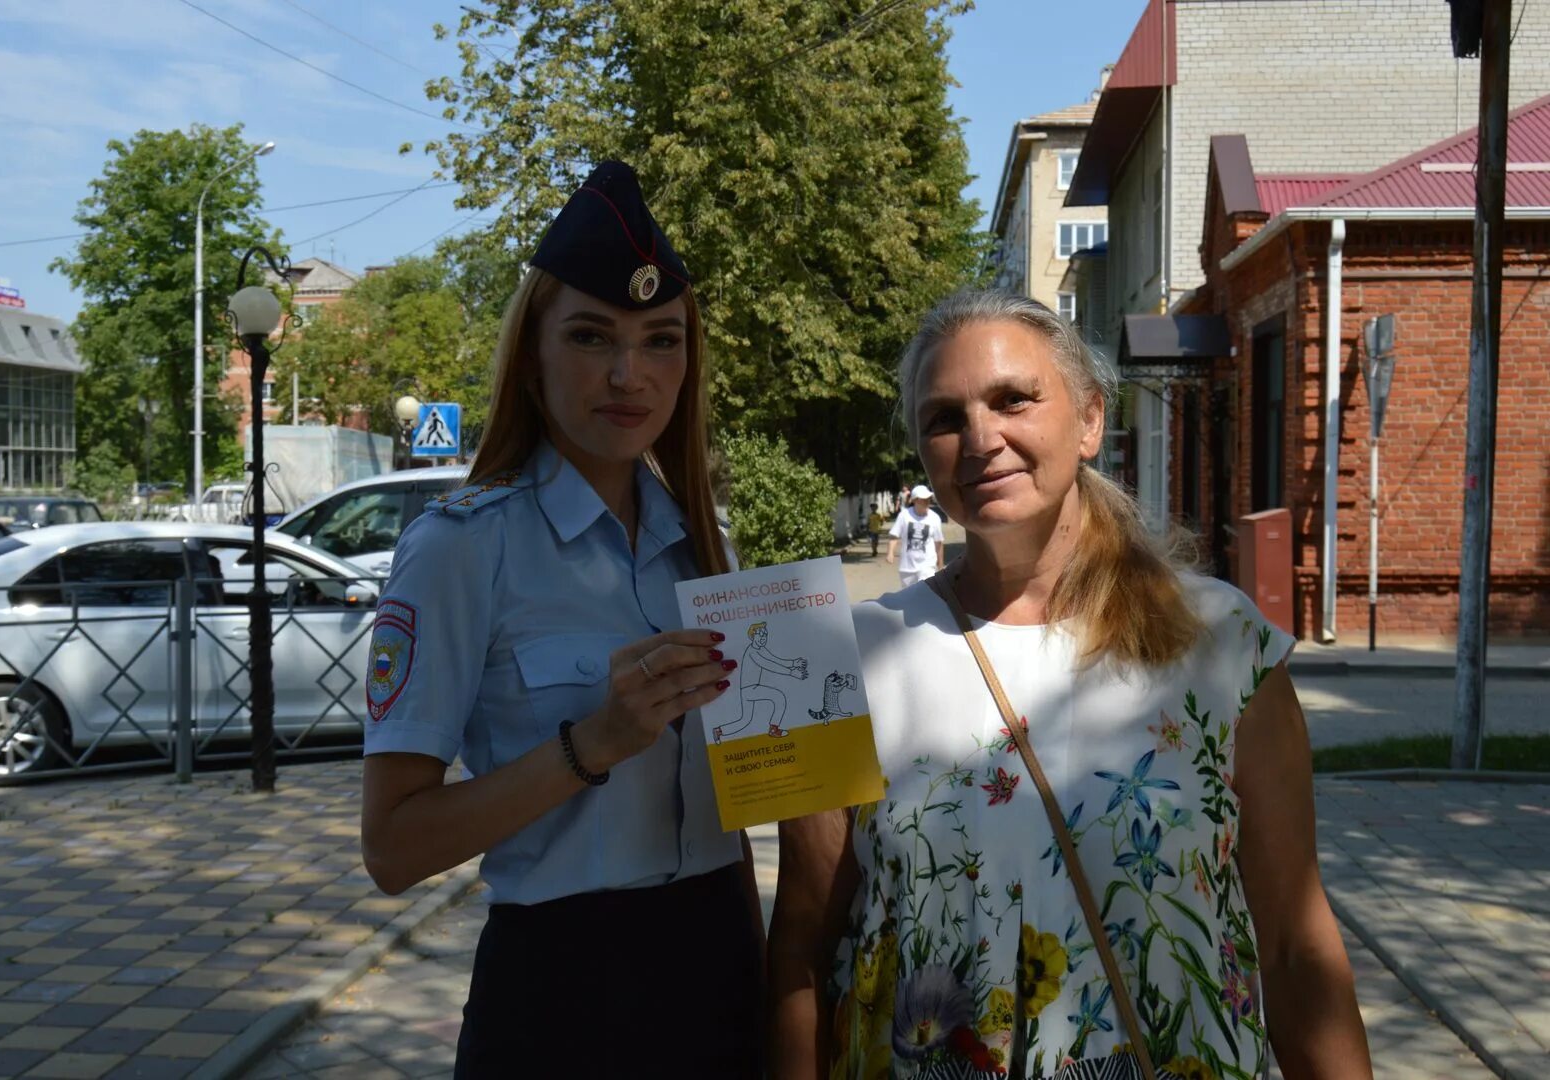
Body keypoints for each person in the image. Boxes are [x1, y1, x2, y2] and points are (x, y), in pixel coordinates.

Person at [769, 290, 1371, 1080]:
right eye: (944, 418)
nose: (982, 438)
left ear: (1089, 421)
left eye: (1013, 399)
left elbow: (1296, 946)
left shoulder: (1223, 646)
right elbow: (801, 957)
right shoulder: (835, 659)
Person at [360, 162, 765, 1078]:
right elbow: (391, 848)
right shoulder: (461, 548)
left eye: (662, 341)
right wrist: (594, 743)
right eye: (592, 337)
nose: (631, 375)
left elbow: (732, 827)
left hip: (719, 971)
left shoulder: (703, 549)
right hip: (561, 996)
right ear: (533, 357)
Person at [885, 483, 946, 586]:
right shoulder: (904, 516)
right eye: (923, 498)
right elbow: (894, 536)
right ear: (915, 500)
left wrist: (940, 566)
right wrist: (890, 552)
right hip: (907, 567)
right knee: (909, 599)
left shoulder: (934, 518)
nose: (927, 501)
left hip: (927, 566)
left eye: (928, 498)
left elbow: (938, 543)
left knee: (925, 594)